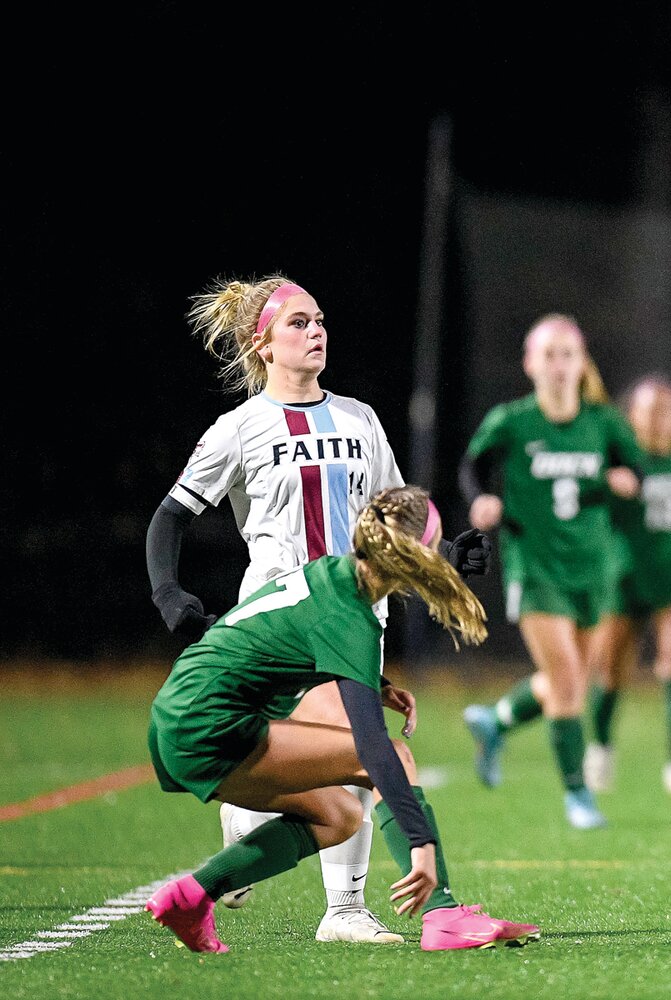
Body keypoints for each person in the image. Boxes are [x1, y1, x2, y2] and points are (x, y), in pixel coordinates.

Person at [145, 274, 491, 944]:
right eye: (299, 322)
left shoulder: (359, 419)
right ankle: (329, 883)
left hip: (357, 609)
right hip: (284, 621)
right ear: (264, 343)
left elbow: (395, 519)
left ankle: (341, 908)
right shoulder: (239, 427)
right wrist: (168, 594)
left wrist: (448, 550)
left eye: (320, 319)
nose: (316, 331)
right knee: (363, 751)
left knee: (354, 757)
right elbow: (170, 517)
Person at [144, 484, 539, 953]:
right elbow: (372, 749)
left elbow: (282, 643)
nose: (440, 558)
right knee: (389, 753)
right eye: (433, 548)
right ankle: (442, 912)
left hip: (183, 712)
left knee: (340, 814)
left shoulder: (333, 574)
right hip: (205, 724)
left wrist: (376, 684)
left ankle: (191, 897)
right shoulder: (353, 617)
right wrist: (421, 845)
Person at [459, 313, 645, 829]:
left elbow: (637, 470)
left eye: (568, 354)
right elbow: (472, 467)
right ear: (530, 363)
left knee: (571, 683)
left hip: (593, 567)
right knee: (566, 681)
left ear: (582, 362)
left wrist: (627, 480)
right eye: (549, 354)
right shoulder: (512, 421)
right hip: (536, 566)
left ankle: (496, 721)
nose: (559, 365)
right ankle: (578, 795)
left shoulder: (604, 422)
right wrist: (483, 500)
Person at [582, 374, 671, 798]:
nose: (658, 420)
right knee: (610, 674)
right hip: (622, 577)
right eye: (649, 411)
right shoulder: (618, 464)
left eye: (667, 411)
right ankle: (601, 748)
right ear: (631, 418)